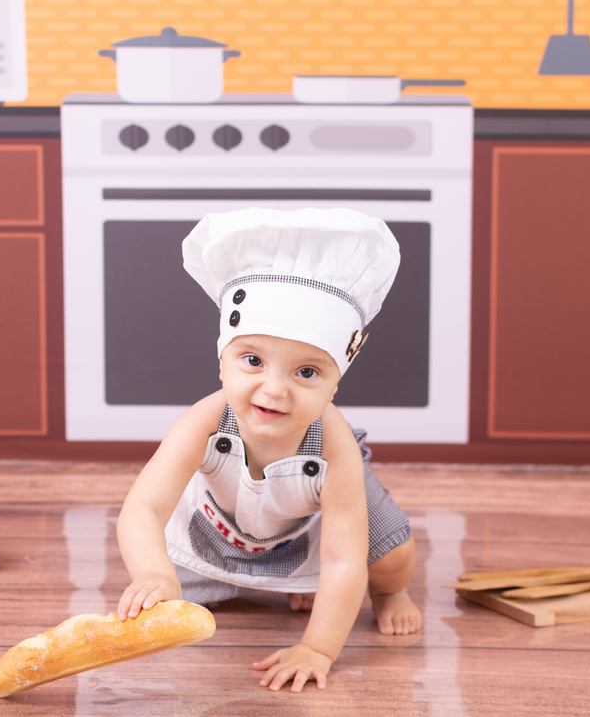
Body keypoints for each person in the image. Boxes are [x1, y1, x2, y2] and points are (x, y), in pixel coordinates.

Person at [115, 206, 422, 693]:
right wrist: (156, 574)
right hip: (226, 527)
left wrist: (317, 647)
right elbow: (144, 507)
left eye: (306, 372)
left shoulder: (334, 446)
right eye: (253, 360)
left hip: (315, 518)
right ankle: (274, 582)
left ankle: (389, 593)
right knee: (166, 598)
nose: (273, 390)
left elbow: (344, 559)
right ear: (223, 362)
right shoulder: (205, 420)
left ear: (335, 383)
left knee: (388, 553)